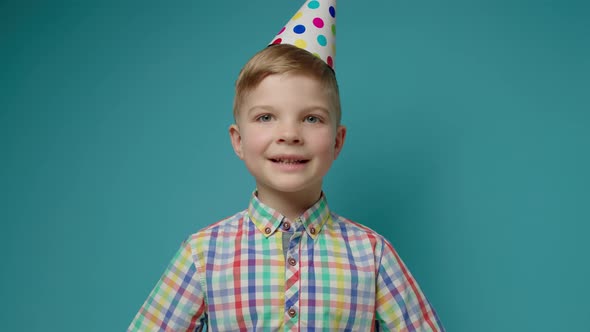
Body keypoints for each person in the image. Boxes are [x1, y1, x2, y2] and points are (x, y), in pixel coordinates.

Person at [129, 1, 443, 330]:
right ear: (238, 140)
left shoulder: (372, 255)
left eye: (311, 118)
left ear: (337, 141)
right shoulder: (204, 254)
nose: (290, 134)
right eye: (266, 117)